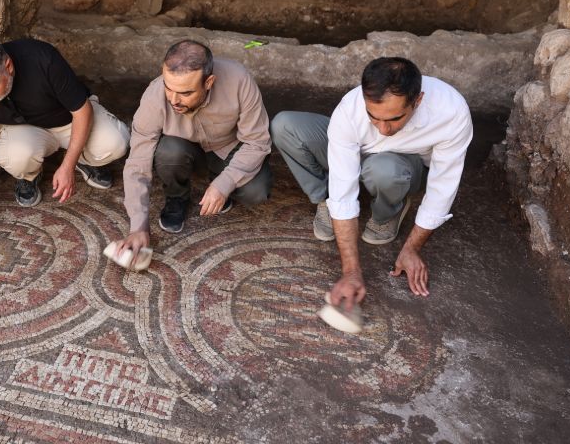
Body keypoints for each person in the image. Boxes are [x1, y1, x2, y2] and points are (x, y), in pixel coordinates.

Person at [270, 57, 472, 307]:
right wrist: (351, 273)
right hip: (359, 153)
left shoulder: (451, 111)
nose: (383, 129)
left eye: (395, 119)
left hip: (400, 165)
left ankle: (388, 212)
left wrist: (411, 249)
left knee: (384, 170)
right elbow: (344, 192)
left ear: (417, 100)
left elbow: (443, 187)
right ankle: (324, 199)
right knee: (284, 125)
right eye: (373, 117)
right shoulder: (350, 109)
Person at [0, 36, 130, 237]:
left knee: (116, 142)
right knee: (15, 155)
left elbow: (82, 112)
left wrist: (67, 166)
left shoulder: (42, 58)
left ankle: (82, 159)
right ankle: (30, 175)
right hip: (25, 131)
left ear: (8, 66)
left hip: (69, 120)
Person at [113, 40, 272, 256]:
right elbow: (137, 162)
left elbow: (257, 142)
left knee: (256, 192)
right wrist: (138, 227)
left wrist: (224, 185)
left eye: (186, 93)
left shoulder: (239, 80)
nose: (174, 100)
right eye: (169, 89)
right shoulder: (155, 95)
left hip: (227, 149)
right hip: (184, 152)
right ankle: (177, 196)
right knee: (169, 150)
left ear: (209, 82)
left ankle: (217, 186)